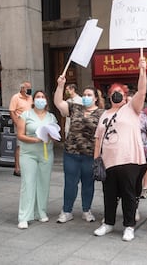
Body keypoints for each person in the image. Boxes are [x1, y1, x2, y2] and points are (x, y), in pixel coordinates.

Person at [93, 57, 147, 242]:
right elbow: (98, 139)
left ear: (125, 96)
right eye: (113, 92)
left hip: (129, 159)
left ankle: (129, 226)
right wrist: (96, 160)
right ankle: (108, 223)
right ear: (109, 96)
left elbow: (142, 91)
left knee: (128, 194)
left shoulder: (132, 108)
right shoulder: (103, 115)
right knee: (109, 194)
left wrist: (142, 71)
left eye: (120, 92)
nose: (116, 95)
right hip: (108, 161)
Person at [54, 78, 104, 224]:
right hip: (71, 152)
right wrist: (60, 86)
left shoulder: (102, 113)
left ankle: (86, 210)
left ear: (95, 98)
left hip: (90, 154)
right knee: (70, 182)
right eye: (84, 95)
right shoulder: (75, 107)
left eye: (89, 95)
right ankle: (66, 210)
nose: (86, 97)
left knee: (88, 184)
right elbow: (58, 103)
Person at [16, 90, 57, 229]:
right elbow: (20, 135)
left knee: (43, 183)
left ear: (46, 100)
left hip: (46, 154)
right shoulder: (25, 115)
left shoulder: (51, 117)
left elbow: (56, 134)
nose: (40, 99)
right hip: (28, 154)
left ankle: (41, 211)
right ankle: (24, 216)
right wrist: (35, 139)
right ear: (33, 100)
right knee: (28, 183)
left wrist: (51, 136)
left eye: (43, 97)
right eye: (38, 97)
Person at [9, 81, 33, 177]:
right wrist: (17, 124)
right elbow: (12, 111)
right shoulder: (16, 97)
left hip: (30, 125)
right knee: (20, 146)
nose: (30, 89)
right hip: (21, 125)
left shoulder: (30, 98)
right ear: (22, 88)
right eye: (28, 88)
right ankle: (17, 168)